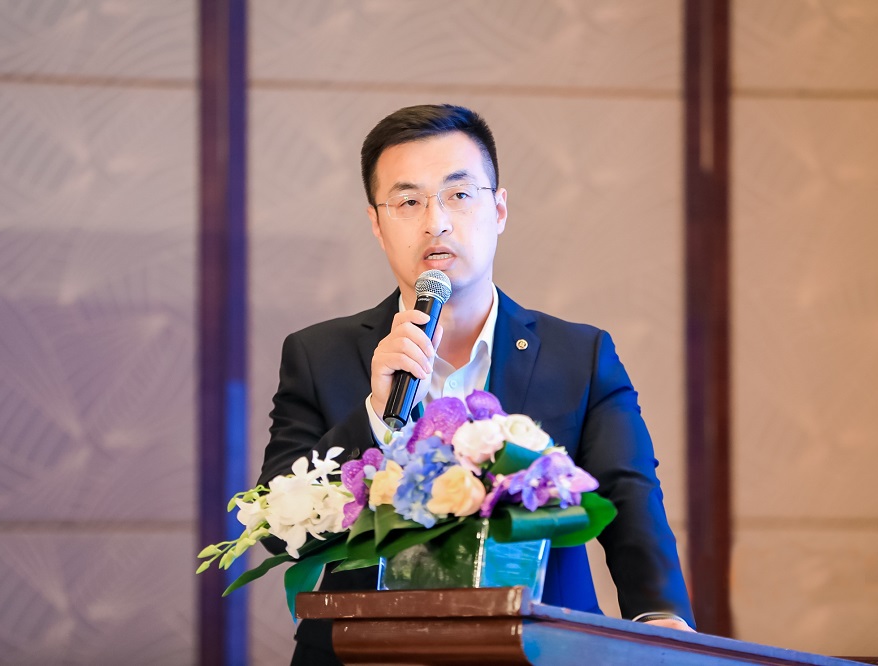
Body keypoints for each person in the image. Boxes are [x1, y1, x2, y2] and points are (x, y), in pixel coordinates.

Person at [258, 104, 695, 665]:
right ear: (377, 224)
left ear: (499, 209)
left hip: (542, 652)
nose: (435, 221)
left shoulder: (579, 356)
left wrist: (658, 617)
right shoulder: (319, 354)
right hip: (365, 654)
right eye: (408, 202)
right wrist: (374, 416)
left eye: (459, 194)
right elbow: (277, 527)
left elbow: (630, 496)